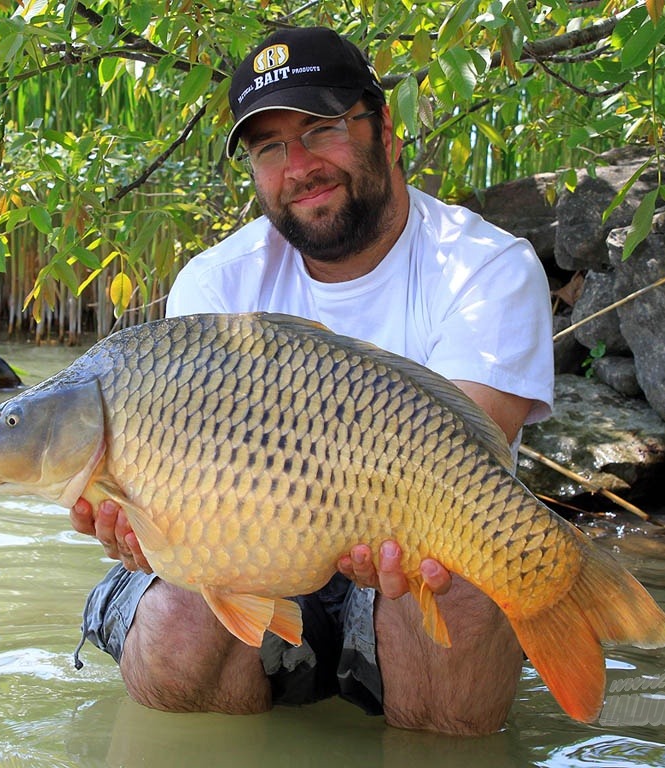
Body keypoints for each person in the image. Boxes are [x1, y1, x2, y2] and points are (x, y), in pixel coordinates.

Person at [71, 25, 554, 736]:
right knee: (178, 614)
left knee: (463, 587)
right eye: (269, 148)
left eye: (321, 129)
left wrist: (367, 522)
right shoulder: (216, 284)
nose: (298, 165)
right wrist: (152, 524)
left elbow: (464, 465)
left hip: (403, 560)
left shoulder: (485, 269)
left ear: (383, 127)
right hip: (251, 559)